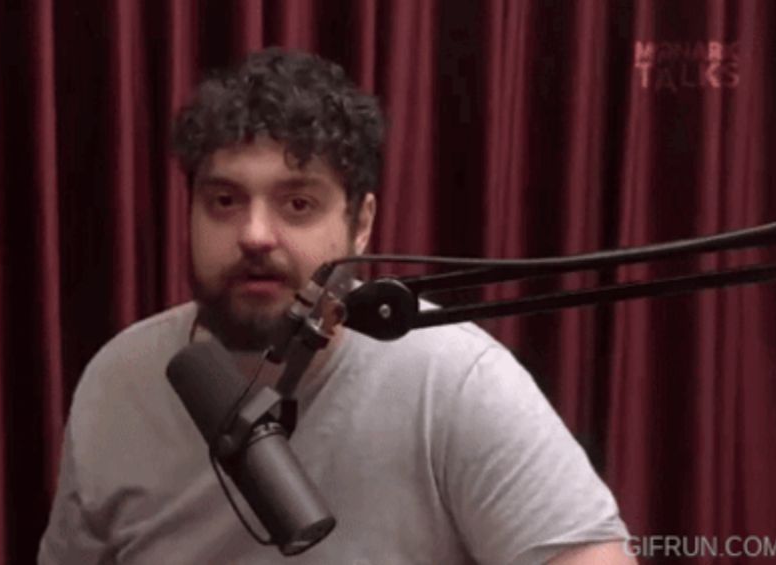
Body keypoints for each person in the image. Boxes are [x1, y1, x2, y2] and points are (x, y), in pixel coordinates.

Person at [38, 47, 636, 564]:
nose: (254, 235)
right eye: (224, 200)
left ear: (361, 225)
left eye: (297, 204)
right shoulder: (117, 382)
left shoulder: (452, 381)